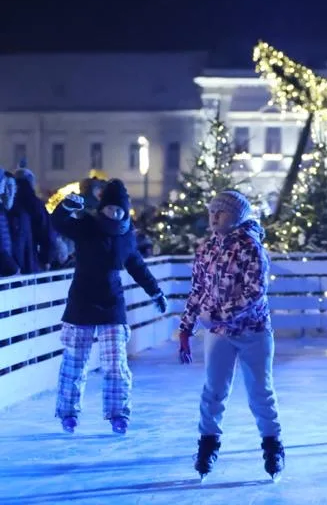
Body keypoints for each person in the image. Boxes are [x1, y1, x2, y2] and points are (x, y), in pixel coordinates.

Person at [177, 191, 284, 482]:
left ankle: (272, 446)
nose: (214, 217)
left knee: (260, 392)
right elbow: (198, 290)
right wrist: (186, 327)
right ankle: (207, 445)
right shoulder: (206, 249)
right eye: (212, 211)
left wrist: (218, 315)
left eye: (221, 212)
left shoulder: (251, 247)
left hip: (254, 331)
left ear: (236, 216)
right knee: (213, 391)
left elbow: (254, 293)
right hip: (219, 334)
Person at [51, 180, 167, 434]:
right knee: (74, 362)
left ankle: (118, 413)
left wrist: (155, 291)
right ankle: (68, 412)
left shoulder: (126, 236)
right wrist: (66, 206)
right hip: (82, 302)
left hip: (112, 305)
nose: (114, 213)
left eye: (119, 210)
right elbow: (58, 223)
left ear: (125, 212)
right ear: (102, 208)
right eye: (110, 208)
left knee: (116, 363)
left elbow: (137, 265)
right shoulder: (86, 227)